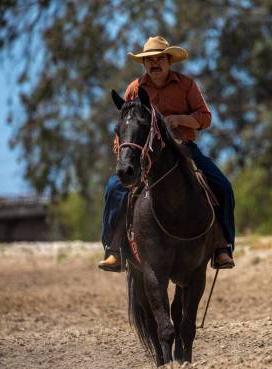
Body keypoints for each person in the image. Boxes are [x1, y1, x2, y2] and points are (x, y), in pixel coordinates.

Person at [98, 36, 235, 271]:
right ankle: (114, 250)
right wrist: (122, 151)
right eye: (149, 60)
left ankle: (222, 246)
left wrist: (178, 120)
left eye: (159, 59)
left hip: (184, 149)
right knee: (114, 189)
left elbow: (205, 118)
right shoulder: (135, 89)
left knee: (222, 186)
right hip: (145, 155)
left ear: (169, 60)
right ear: (144, 65)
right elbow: (127, 123)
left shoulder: (186, 85)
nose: (155, 64)